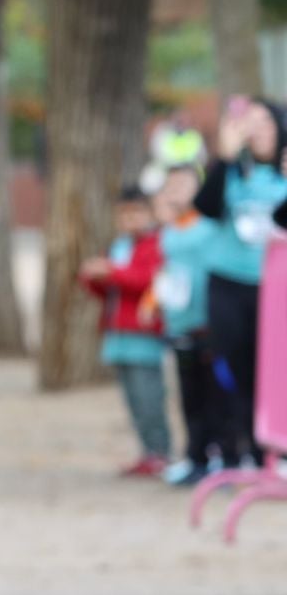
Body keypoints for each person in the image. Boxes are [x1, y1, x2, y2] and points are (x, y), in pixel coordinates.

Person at [194, 97, 287, 467]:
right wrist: (224, 157)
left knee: (277, 369)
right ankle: (242, 448)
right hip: (229, 284)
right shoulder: (232, 171)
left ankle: (276, 449)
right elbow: (206, 208)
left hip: (275, 288)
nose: (259, 130)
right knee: (234, 368)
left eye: (266, 122)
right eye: (252, 122)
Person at [81, 186, 170, 476]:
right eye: (124, 213)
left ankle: (161, 452)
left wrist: (112, 272)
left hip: (144, 335)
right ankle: (147, 451)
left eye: (136, 212)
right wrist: (93, 277)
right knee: (132, 399)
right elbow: (107, 292)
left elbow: (148, 281)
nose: (130, 219)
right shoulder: (118, 246)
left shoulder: (158, 244)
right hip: (116, 334)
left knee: (149, 397)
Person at [155, 165, 220, 484]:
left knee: (215, 394)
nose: (177, 190)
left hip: (207, 325)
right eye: (171, 185)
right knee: (188, 395)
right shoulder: (168, 231)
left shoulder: (211, 226)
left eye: (184, 183)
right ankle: (194, 456)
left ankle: (219, 454)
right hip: (177, 325)